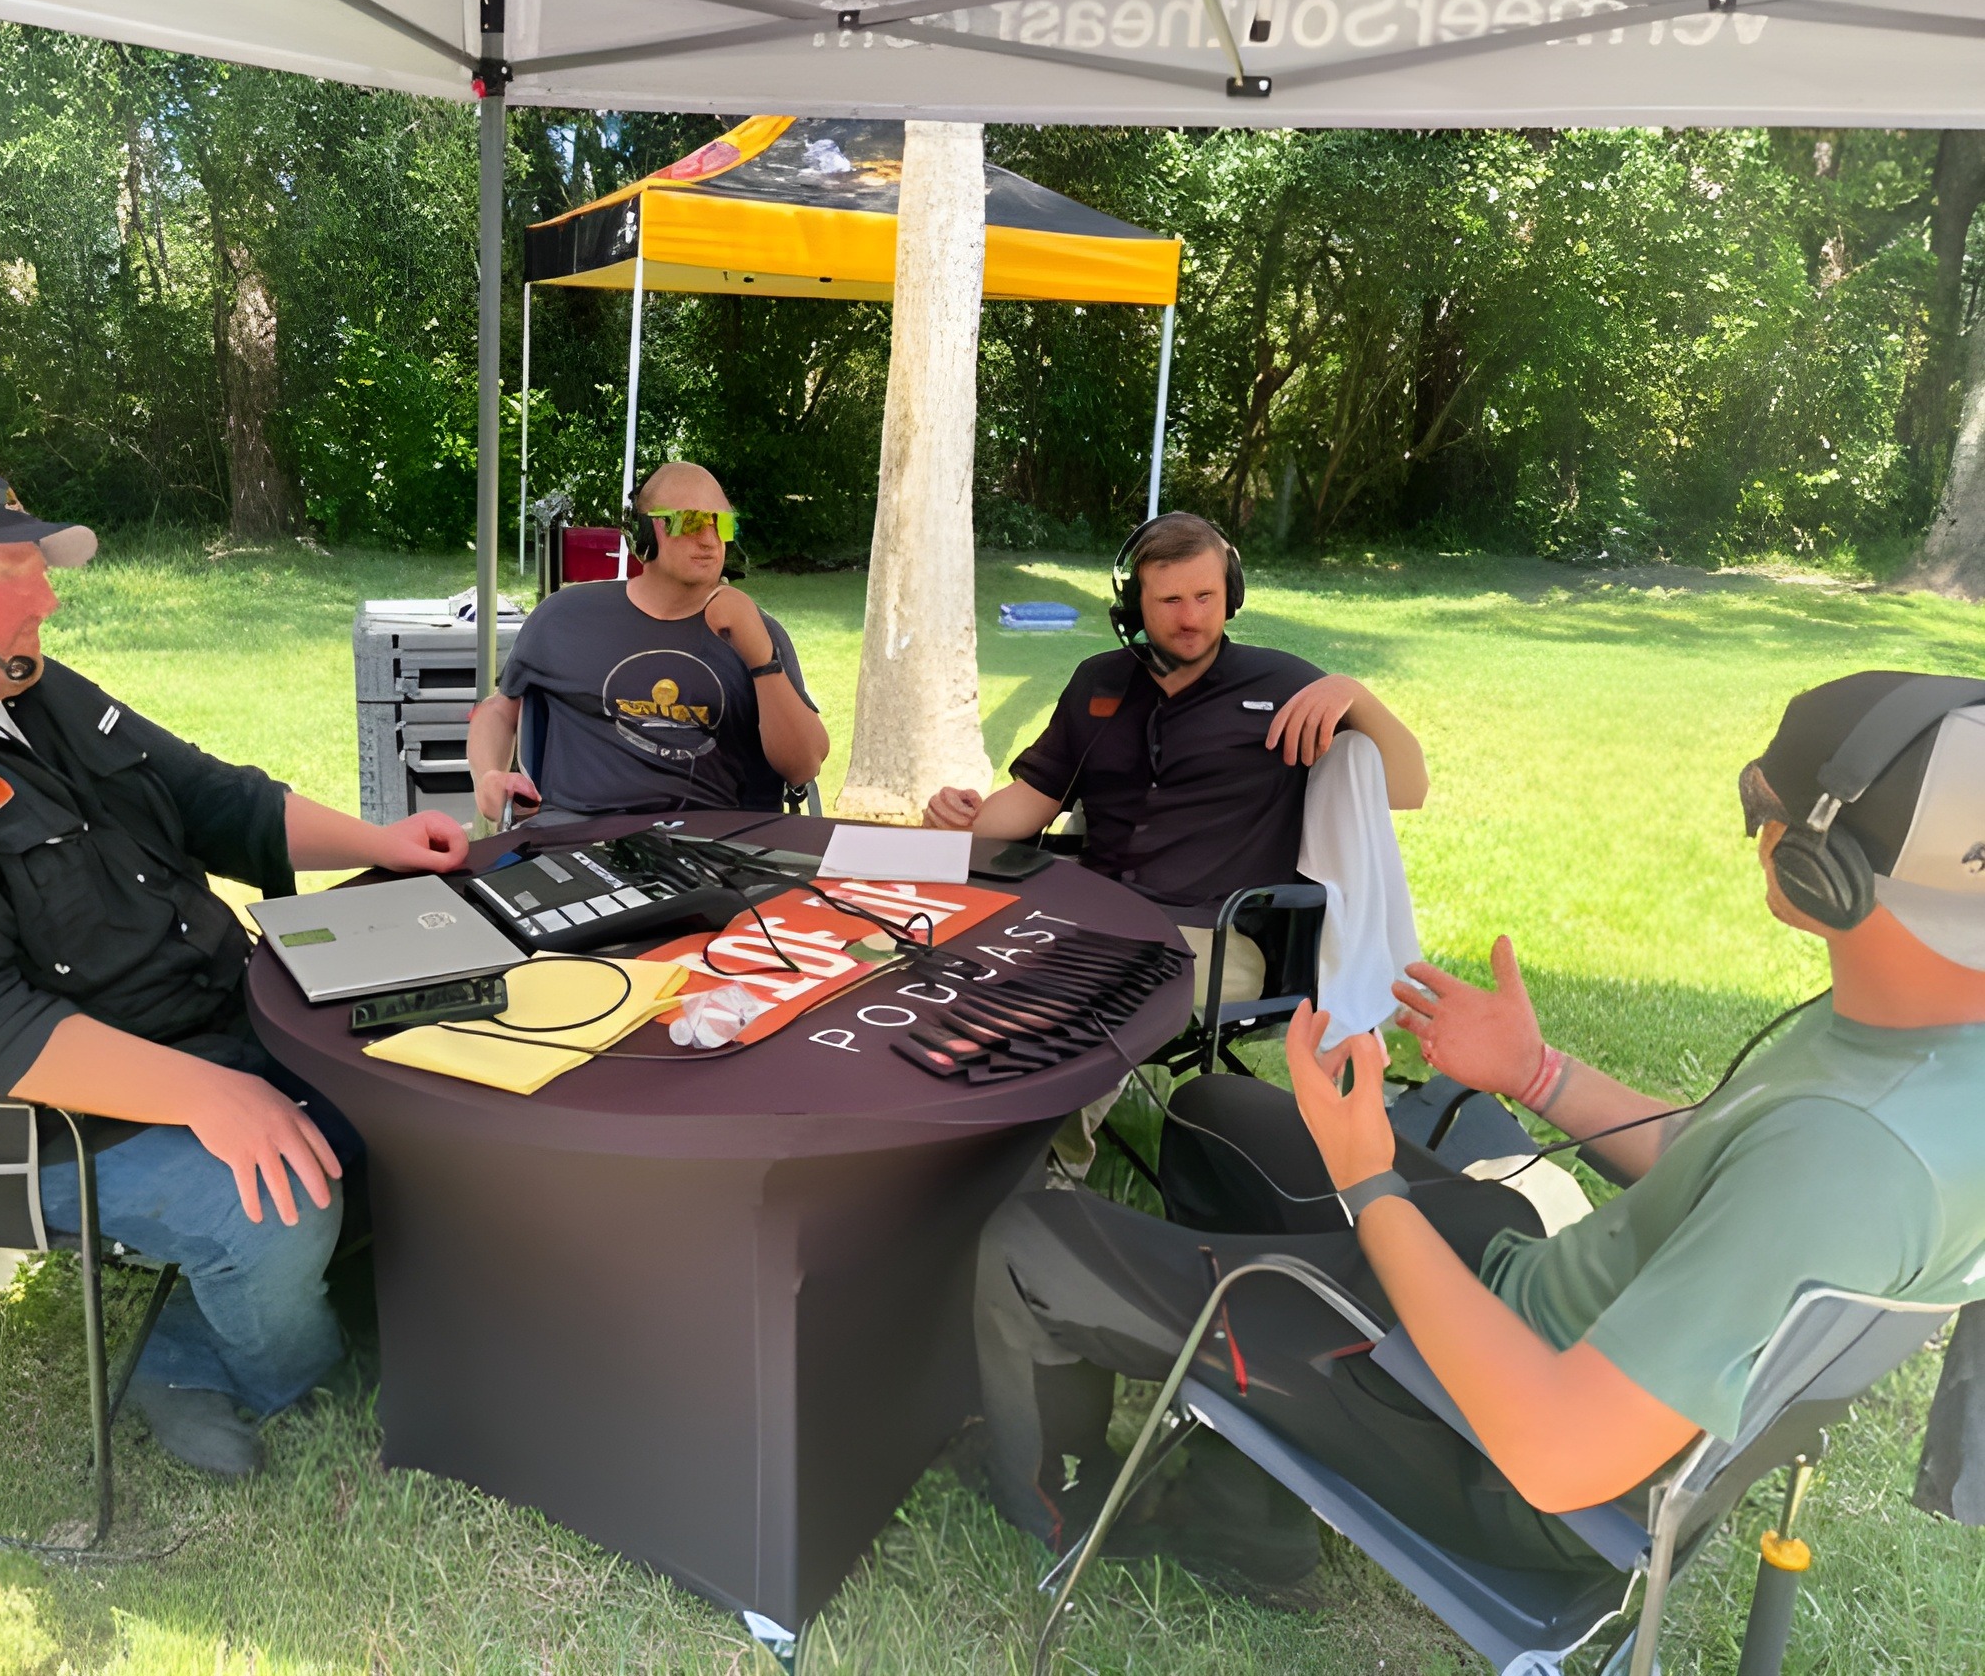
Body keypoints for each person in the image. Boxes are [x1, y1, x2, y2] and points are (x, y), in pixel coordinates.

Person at [971, 670, 1985, 1597]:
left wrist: (1372, 1185)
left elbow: (1557, 1454)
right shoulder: (1920, 1044)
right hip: (1525, 1300)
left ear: (1826, 865)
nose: (1752, 830)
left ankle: (1071, 1500)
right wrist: (1535, 1074)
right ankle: (1245, 1493)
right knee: (1211, 1116)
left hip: (1490, 1438)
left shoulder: (1850, 1154)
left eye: (1758, 806)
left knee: (1024, 1249)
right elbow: (1714, 1165)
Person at [0, 465, 472, 1478]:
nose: (46, 597)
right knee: (278, 1201)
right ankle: (262, 1371)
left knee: (419, 1098)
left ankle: (226, 1325)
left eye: (41, 568)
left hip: (180, 1030)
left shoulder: (26, 689)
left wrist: (383, 843)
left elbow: (212, 799)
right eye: (10, 571)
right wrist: (217, 1096)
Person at [924, 511, 1428, 1008]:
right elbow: (1032, 800)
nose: (1190, 619)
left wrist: (1353, 694)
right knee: (945, 967)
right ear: (1135, 607)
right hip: (1085, 914)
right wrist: (958, 823)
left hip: (1213, 938)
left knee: (1066, 1004)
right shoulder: (1099, 682)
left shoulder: (1285, 686)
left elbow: (1410, 789)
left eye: (1205, 597)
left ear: (1231, 595)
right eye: (1169, 600)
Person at [468, 462, 829, 825]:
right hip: (577, 842)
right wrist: (488, 776)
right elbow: (500, 710)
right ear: (645, 532)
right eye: (689, 521)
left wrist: (760, 657)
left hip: (721, 851)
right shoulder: (564, 617)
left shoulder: (759, 632)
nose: (709, 540)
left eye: (721, 523)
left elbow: (803, 768)